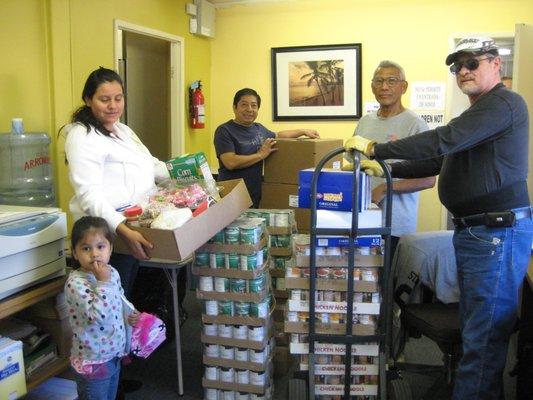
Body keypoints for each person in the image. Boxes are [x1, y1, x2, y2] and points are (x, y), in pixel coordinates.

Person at [345, 36, 533, 399]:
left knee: (484, 334)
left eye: (471, 63)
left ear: (496, 64)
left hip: (495, 232)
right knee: (476, 328)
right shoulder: (478, 113)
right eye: (457, 65)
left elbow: (442, 142)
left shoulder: (503, 103)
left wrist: (376, 148)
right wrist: (385, 165)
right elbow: (438, 161)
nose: (463, 70)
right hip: (477, 231)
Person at [350, 60, 435, 257]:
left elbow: (429, 179)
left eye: (391, 81)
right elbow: (356, 165)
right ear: (372, 86)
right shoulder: (365, 122)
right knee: (362, 283)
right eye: (379, 81)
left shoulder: (415, 125)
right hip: (361, 221)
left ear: (403, 87)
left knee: (389, 283)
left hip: (396, 226)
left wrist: (385, 187)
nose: (384, 87)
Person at [65, 216, 140, 400]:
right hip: (93, 359)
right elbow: (97, 316)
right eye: (86, 248)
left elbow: (119, 300)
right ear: (74, 253)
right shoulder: (76, 283)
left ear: (110, 249)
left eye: (101, 246)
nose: (95, 254)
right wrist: (103, 283)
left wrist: (130, 314)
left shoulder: (111, 272)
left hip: (114, 352)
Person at [214, 88, 320, 207]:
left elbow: (279, 135)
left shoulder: (258, 129)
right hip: (231, 193)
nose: (249, 109)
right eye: (244, 105)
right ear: (234, 107)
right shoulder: (224, 130)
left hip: (254, 192)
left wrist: (303, 131)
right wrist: (260, 155)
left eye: (253, 105)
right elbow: (230, 162)